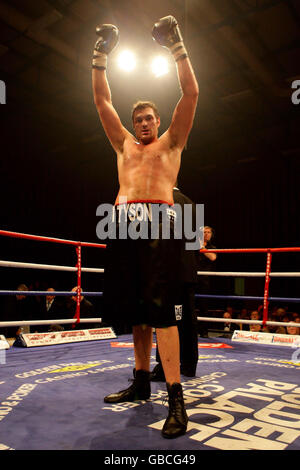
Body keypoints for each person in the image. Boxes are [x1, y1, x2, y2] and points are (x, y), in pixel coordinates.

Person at [92, 16, 198, 438]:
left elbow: (191, 93)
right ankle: (139, 382)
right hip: (122, 226)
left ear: (159, 120)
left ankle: (175, 397)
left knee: (164, 316)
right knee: (136, 314)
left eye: (150, 117)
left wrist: (177, 45)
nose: (144, 123)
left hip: (159, 225)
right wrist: (100, 55)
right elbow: (102, 102)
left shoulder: (172, 143)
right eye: (139, 119)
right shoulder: (123, 145)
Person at [150, 186, 199, 381]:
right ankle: (189, 366)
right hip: (188, 270)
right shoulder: (192, 203)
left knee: (168, 320)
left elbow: (159, 239)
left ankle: (164, 367)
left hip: (171, 270)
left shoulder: (162, 200)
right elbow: (196, 242)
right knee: (188, 319)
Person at [196, 226, 217, 336]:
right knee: (189, 306)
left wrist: (202, 247)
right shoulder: (193, 246)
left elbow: (213, 257)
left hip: (204, 281)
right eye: (204, 232)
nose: (207, 234)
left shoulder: (212, 247)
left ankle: (204, 332)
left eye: (209, 232)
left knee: (204, 307)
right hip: (193, 278)